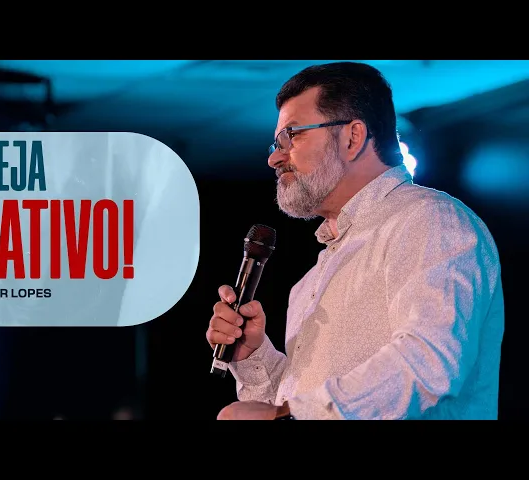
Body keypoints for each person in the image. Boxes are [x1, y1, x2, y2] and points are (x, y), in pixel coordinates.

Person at [206, 61, 505, 420]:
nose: (274, 157)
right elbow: (301, 406)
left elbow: (429, 364)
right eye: (276, 142)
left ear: (353, 137)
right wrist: (254, 359)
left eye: (292, 135)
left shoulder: (429, 220)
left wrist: (288, 415)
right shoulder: (309, 283)